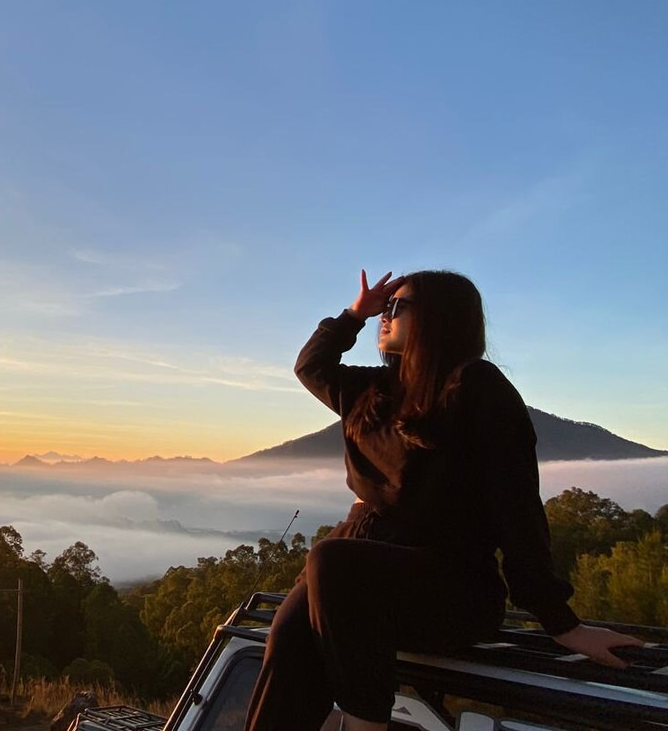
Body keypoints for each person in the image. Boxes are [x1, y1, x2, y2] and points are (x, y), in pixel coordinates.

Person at [244, 270, 643, 731]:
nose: (385, 316)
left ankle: (364, 724)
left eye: (399, 307)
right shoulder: (372, 392)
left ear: (441, 318)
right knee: (290, 634)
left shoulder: (476, 387)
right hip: (355, 583)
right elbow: (310, 367)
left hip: (451, 589)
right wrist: (354, 314)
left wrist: (561, 622)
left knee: (330, 560)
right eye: (384, 307)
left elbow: (516, 509)